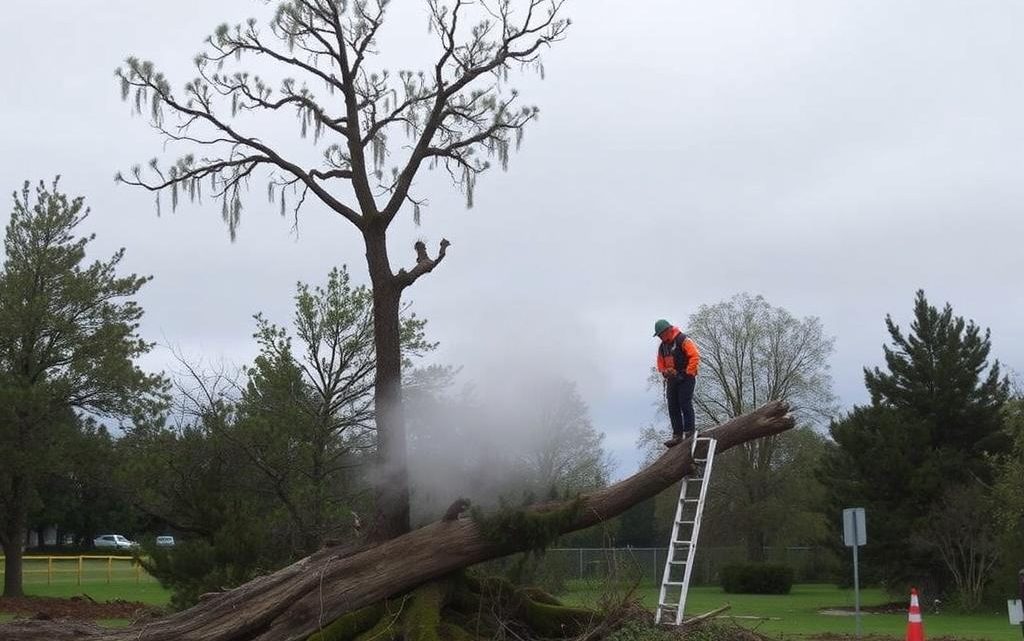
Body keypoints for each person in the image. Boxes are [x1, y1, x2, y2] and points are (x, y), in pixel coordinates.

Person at [654, 319, 700, 447]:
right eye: (658, 335)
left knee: (684, 403)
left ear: (667, 330)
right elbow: (660, 364)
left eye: (660, 334)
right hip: (672, 379)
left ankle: (690, 432)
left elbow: (695, 356)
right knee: (672, 406)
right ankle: (677, 435)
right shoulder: (662, 347)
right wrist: (665, 372)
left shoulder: (683, 339)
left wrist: (687, 373)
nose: (660, 337)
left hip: (686, 376)